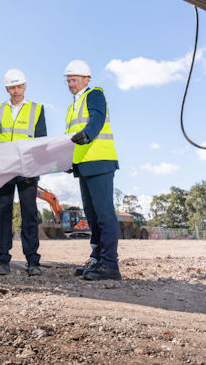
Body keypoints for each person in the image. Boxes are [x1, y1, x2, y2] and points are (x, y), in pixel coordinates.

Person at [64, 60, 121, 281]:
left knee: (104, 215)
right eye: (68, 81)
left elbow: (97, 118)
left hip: (99, 161)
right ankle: (97, 258)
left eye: (75, 80)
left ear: (86, 79)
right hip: (84, 165)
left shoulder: (94, 94)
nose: (71, 84)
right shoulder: (72, 107)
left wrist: (87, 133)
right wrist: (69, 161)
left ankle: (110, 265)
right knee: (92, 216)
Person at [0, 69, 46, 276]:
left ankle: (33, 261)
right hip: (4, 168)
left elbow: (41, 141)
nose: (16, 91)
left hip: (28, 168)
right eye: (12, 87)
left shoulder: (37, 109)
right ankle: (3, 259)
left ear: (25, 86)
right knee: (3, 214)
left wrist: (36, 168)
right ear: (6, 88)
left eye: (19, 86)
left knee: (29, 214)